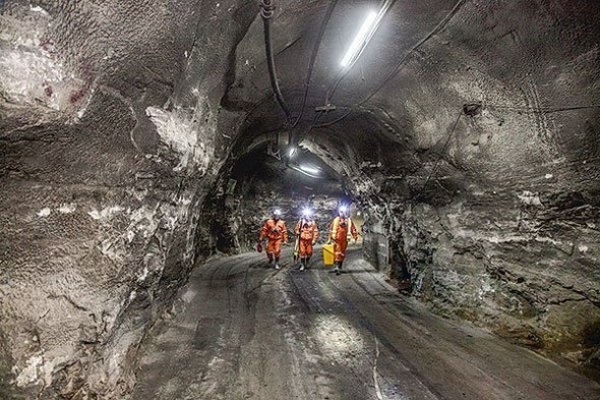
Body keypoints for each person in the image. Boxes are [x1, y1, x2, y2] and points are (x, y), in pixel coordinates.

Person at [328, 205, 358, 275]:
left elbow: (353, 230)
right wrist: (329, 239)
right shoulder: (336, 220)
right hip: (337, 240)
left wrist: (355, 238)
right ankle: (337, 267)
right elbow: (331, 229)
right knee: (337, 253)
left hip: (344, 240)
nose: (342, 213)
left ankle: (339, 267)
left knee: (342, 253)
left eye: (344, 212)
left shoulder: (349, 221)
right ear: (339, 212)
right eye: (341, 212)